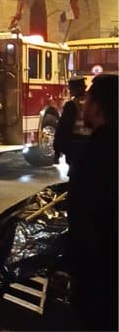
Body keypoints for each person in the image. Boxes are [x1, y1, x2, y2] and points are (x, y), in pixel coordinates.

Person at [68, 73, 117, 331]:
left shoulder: (97, 151)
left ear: (97, 108)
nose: (83, 107)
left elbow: (86, 212)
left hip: (99, 268)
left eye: (87, 102)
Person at [53, 75, 90, 176]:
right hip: (93, 146)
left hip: (76, 146)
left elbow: (62, 129)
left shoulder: (71, 106)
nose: (69, 91)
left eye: (71, 88)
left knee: (76, 176)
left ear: (77, 88)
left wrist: (57, 152)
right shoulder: (95, 102)